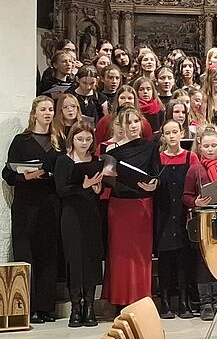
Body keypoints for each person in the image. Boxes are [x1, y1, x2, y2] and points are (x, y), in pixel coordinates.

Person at [3, 96, 60, 324]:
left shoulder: (58, 141)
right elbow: (7, 173)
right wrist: (23, 176)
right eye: (43, 109)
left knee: (48, 255)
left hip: (49, 204)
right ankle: (28, 306)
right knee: (26, 254)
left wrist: (50, 175)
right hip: (26, 205)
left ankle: (45, 308)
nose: (48, 113)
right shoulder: (21, 141)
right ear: (34, 113)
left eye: (51, 109)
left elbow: (64, 172)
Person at [104, 106, 160, 308]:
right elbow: (107, 180)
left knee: (140, 255)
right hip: (119, 206)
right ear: (120, 125)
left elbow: (156, 174)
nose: (133, 126)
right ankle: (120, 301)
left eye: (136, 121)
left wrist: (153, 184)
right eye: (128, 122)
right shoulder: (111, 150)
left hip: (142, 205)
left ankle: (141, 299)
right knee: (120, 254)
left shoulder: (151, 147)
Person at [182, 125, 217, 320]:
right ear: (200, 147)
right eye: (206, 146)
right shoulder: (195, 169)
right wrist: (196, 202)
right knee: (203, 262)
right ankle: (206, 304)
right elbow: (186, 196)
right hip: (203, 219)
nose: (210, 149)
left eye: (214, 145)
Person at [54, 121, 104, 327]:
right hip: (71, 215)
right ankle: (76, 307)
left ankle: (89, 307)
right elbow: (61, 190)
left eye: (88, 139)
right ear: (72, 139)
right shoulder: (63, 161)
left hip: (91, 215)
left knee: (91, 259)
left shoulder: (96, 160)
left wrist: (97, 188)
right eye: (80, 139)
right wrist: (83, 185)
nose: (84, 143)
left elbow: (99, 190)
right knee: (74, 260)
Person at [154, 120, 199, 319]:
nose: (172, 136)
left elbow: (197, 182)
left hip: (183, 212)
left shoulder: (190, 157)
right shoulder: (158, 158)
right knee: (165, 259)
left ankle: (183, 301)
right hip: (163, 212)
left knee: (183, 259)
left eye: (175, 132)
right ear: (163, 136)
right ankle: (164, 302)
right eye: (168, 133)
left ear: (182, 133)